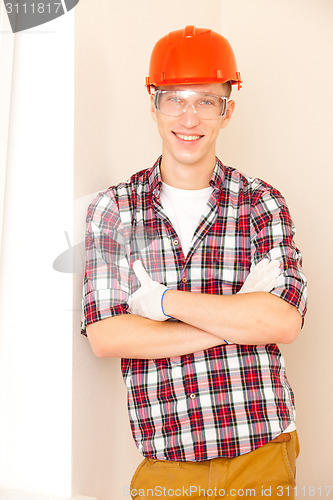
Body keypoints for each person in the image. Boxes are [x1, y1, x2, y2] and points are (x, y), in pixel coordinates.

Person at [81, 26, 307, 499]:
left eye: (206, 100)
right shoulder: (115, 209)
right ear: (153, 103)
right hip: (168, 461)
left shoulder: (260, 203)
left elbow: (282, 321)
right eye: (175, 99)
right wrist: (237, 317)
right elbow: (107, 335)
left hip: (262, 453)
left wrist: (164, 301)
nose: (189, 116)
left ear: (227, 110)